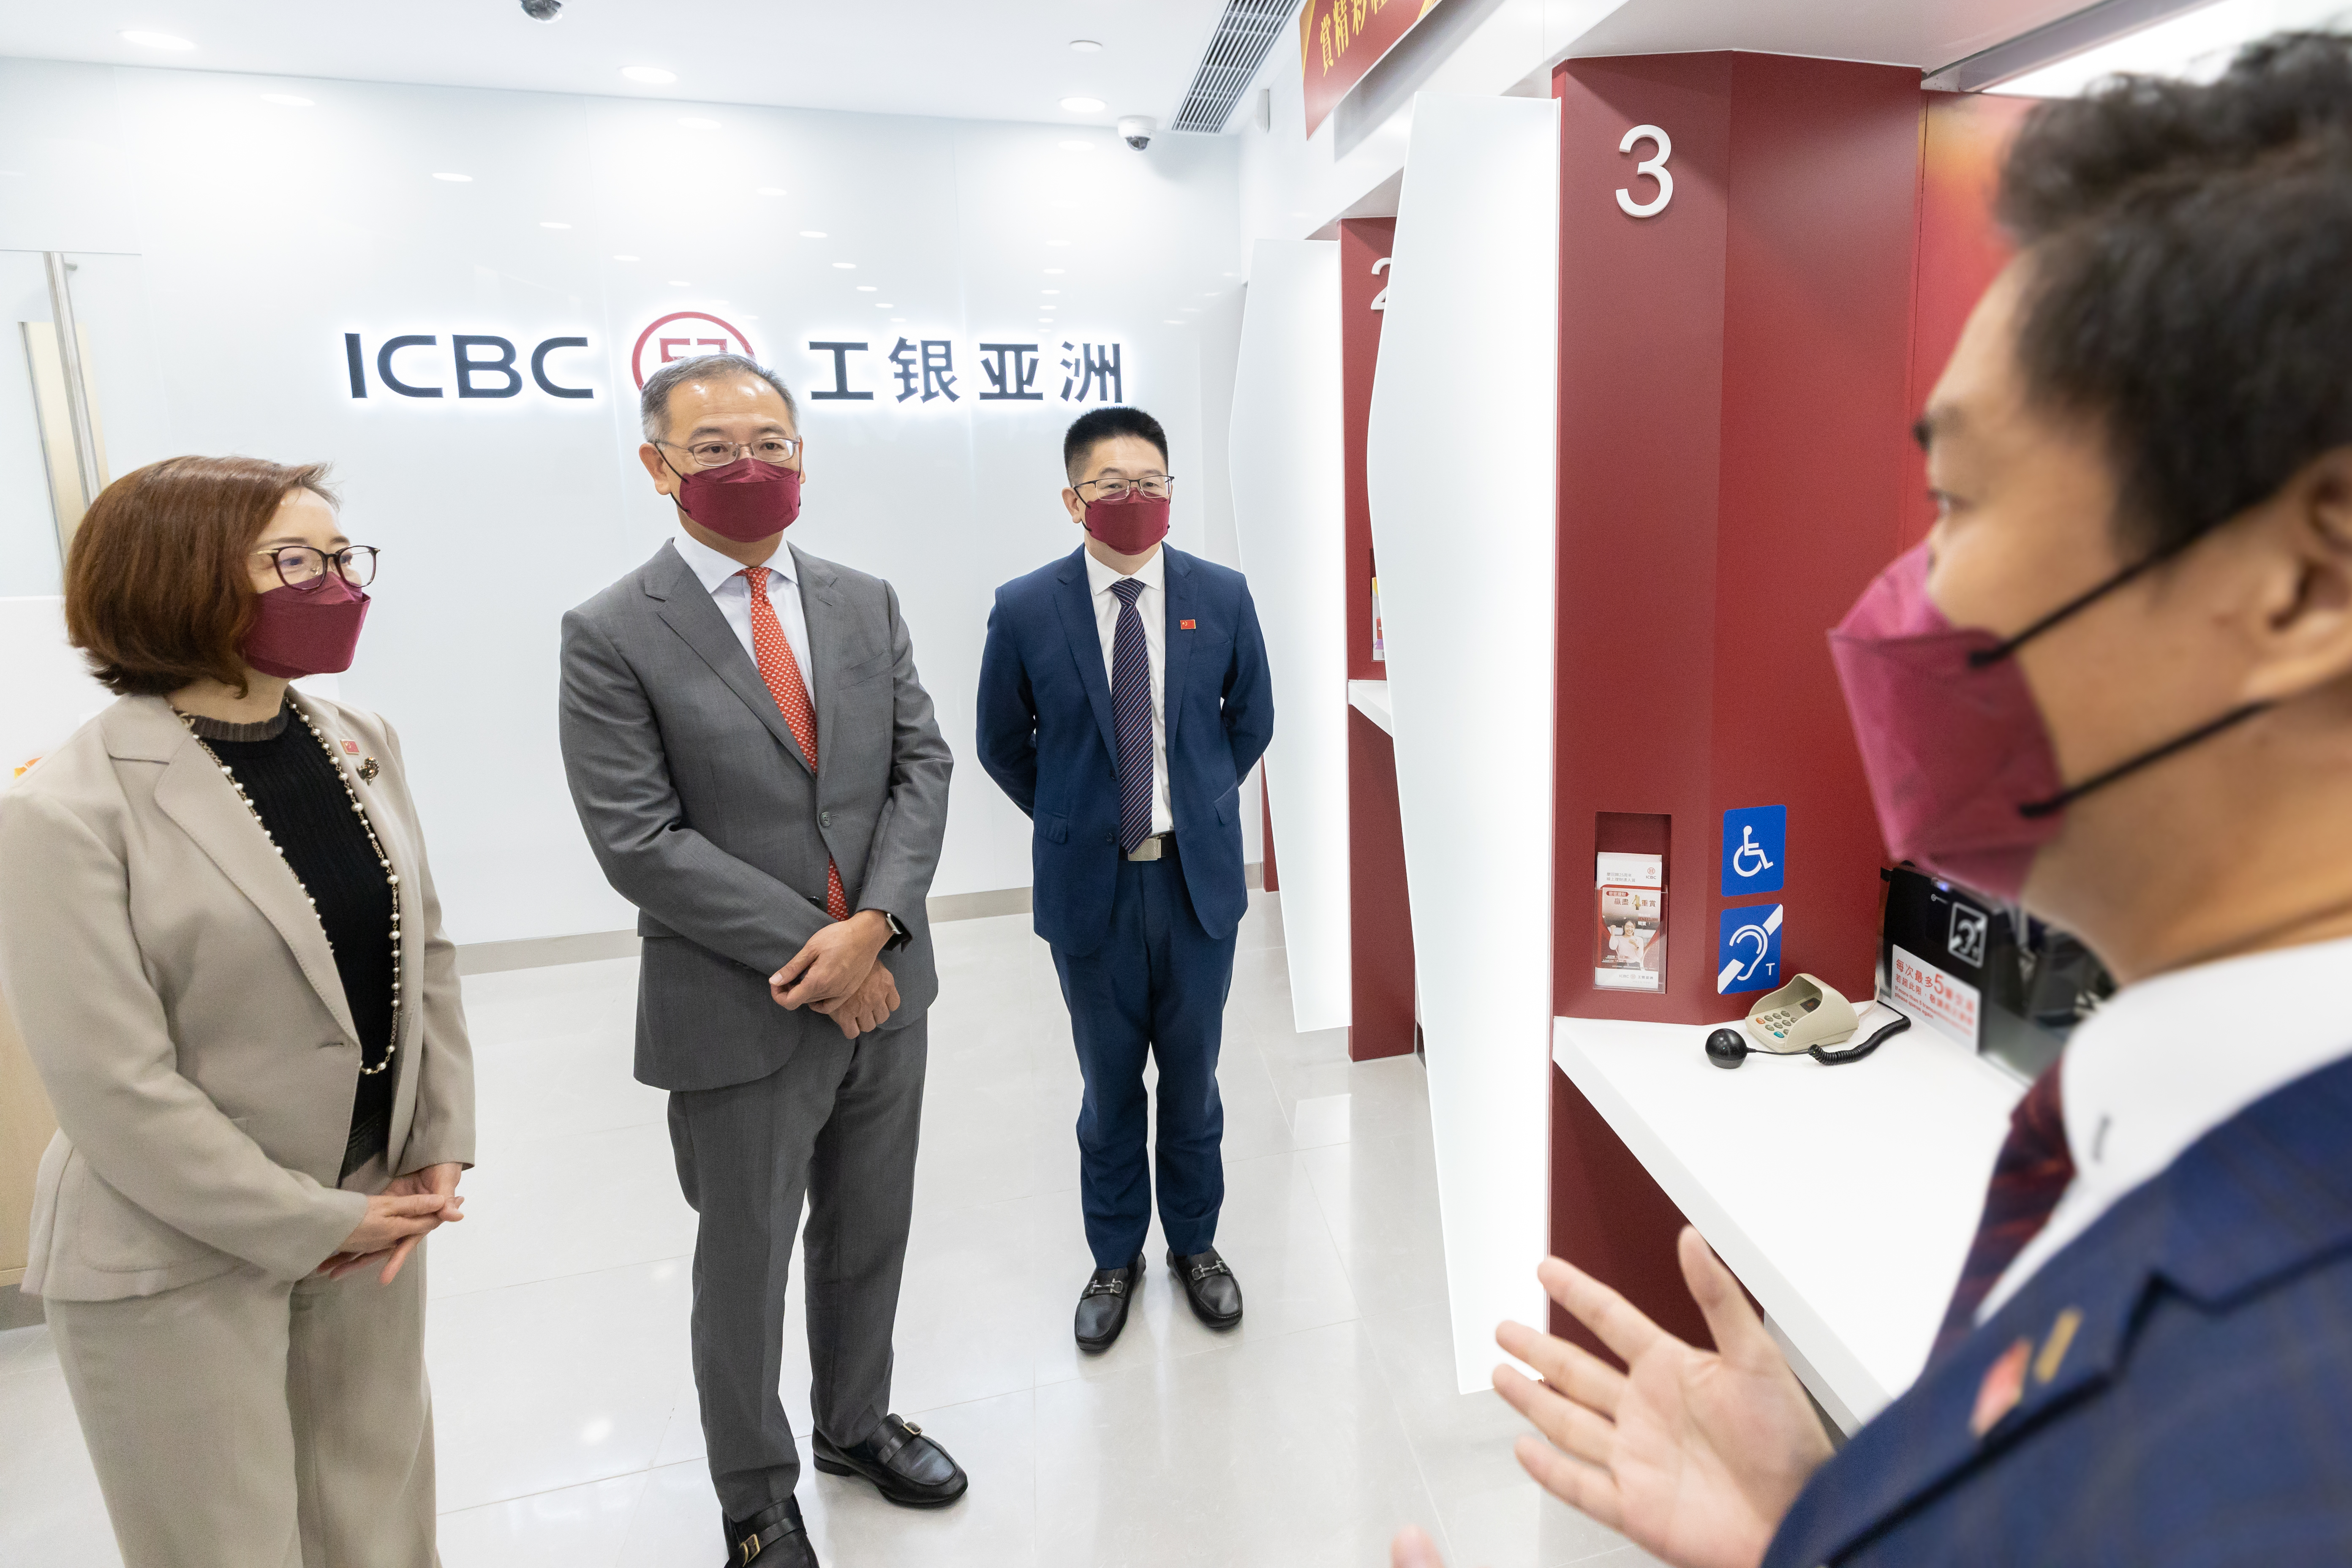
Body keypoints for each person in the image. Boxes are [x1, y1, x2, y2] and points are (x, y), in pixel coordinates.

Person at [1392, 33, 2352, 1568]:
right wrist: (1824, 1528)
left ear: (2305, 573)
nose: (1908, 594)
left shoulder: (2284, 1434)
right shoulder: (2160, 1140)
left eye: (1958, 500)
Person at [0, 456, 474, 1568]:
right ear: (180, 581)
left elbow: (426, 955)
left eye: (342, 557)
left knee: (379, 1525)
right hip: (173, 1251)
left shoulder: (357, 740)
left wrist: (435, 1139)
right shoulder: (67, 808)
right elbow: (113, 1085)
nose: (337, 586)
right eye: (294, 563)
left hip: (370, 1214)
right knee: (227, 1546)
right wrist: (311, 1224)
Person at [558, 353, 961, 1568]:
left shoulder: (861, 598)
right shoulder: (613, 631)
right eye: (717, 446)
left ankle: (853, 1425)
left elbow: (920, 769)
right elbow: (640, 839)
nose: (751, 466)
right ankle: (755, 1491)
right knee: (746, 1255)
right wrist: (822, 947)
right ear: (657, 465)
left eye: (772, 443)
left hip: (890, 984)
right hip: (741, 1001)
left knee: (868, 1228)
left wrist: (878, 925)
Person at [975, 406, 1274, 1350]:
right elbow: (1001, 743)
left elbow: (1250, 720)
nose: (1134, 498)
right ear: (1074, 499)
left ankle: (1196, 1245)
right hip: (1091, 895)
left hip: (1196, 889)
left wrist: (1193, 801)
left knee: (1193, 1083)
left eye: (1151, 481)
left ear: (1173, 495)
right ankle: (1115, 1254)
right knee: (1110, 1091)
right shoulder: (1026, 606)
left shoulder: (1221, 595)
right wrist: (1079, 818)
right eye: (1112, 484)